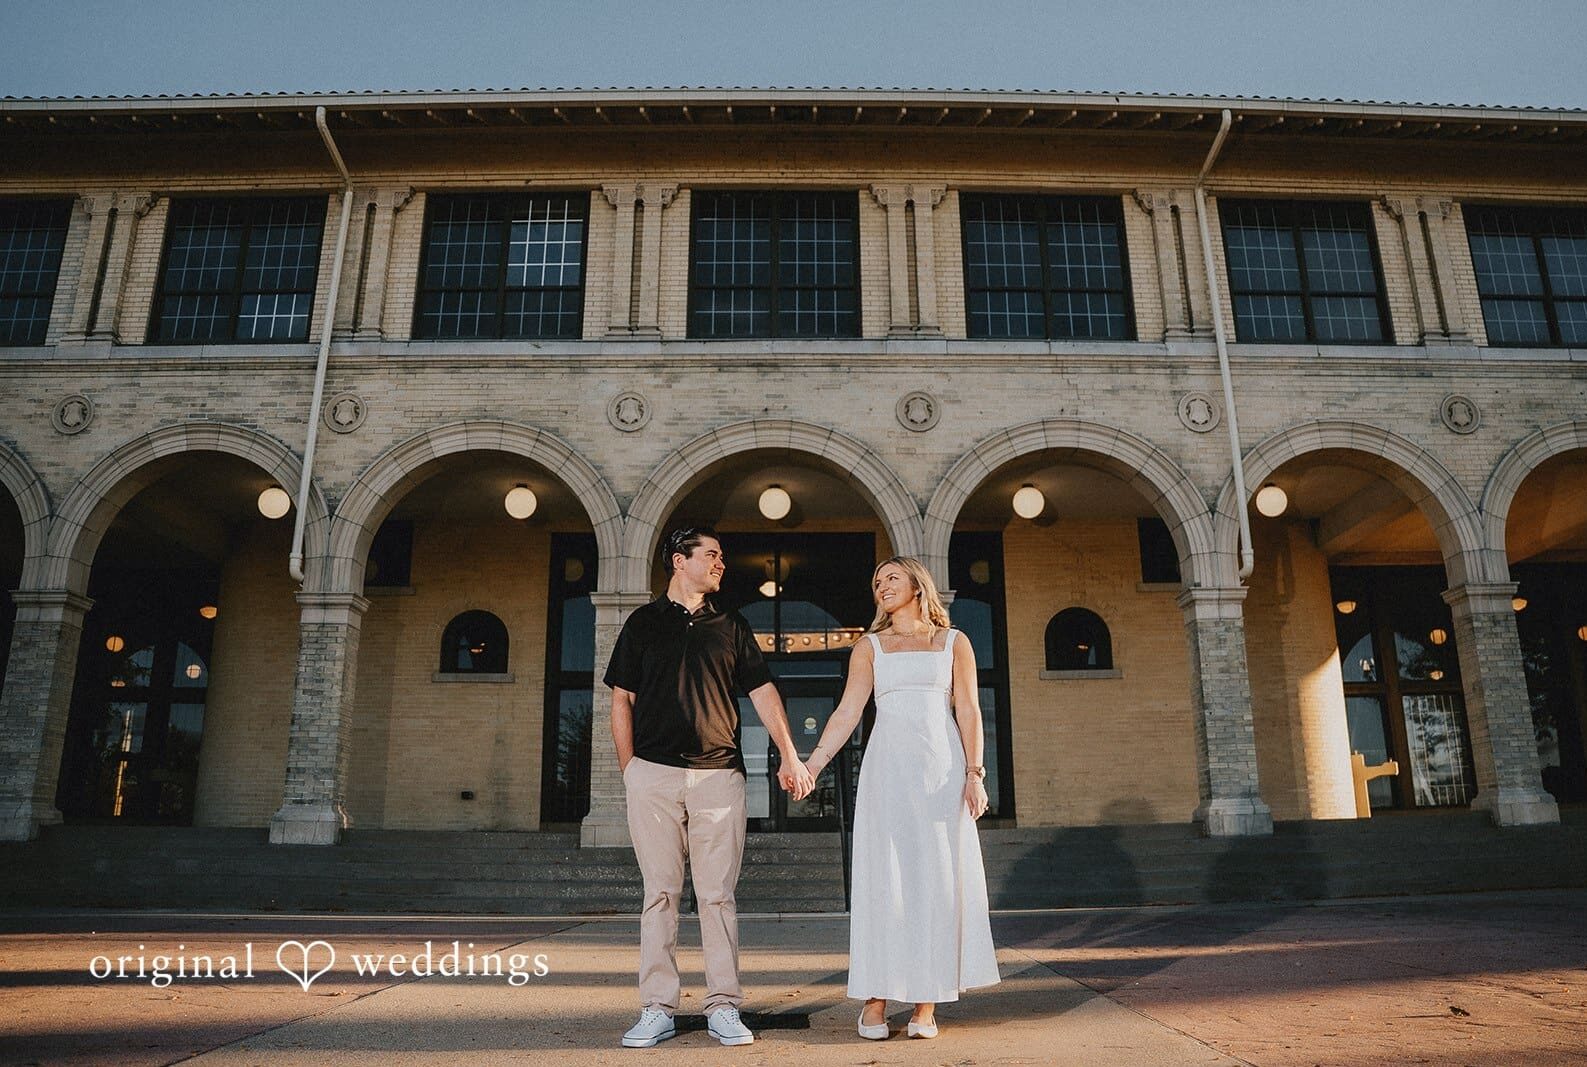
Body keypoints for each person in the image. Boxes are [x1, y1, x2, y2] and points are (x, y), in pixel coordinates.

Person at [605, 526, 815, 1048]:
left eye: (721, 556)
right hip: (653, 776)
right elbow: (621, 700)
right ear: (680, 560)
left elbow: (763, 692)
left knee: (717, 896)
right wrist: (631, 770)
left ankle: (723, 1005)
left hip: (719, 777)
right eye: (712, 555)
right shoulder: (641, 623)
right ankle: (657, 1008)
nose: (721, 563)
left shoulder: (731, 625)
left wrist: (790, 754)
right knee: (660, 894)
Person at [802, 555, 1000, 1040]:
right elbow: (848, 711)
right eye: (876, 581)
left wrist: (975, 774)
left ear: (917, 585)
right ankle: (876, 997)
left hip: (941, 774)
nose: (882, 586)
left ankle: (926, 1002)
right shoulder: (870, 646)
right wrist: (812, 764)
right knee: (885, 882)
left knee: (936, 880)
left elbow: (969, 710)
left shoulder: (954, 642)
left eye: (891, 577)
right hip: (887, 774)